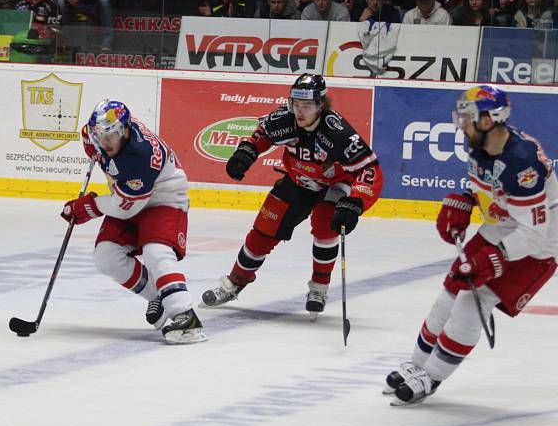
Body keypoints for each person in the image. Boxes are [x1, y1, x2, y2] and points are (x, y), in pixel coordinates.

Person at [385, 85, 558, 405]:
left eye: (467, 117)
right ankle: (417, 365)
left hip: (540, 245)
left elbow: (534, 232)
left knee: (470, 306)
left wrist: (493, 258)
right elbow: (486, 185)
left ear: (490, 119)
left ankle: (432, 377)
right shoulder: (479, 145)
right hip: (504, 226)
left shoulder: (523, 163)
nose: (460, 124)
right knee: (451, 290)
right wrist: (465, 201)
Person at [200, 74, 384, 319]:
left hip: (336, 185)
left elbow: (369, 168)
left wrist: (355, 202)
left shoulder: (337, 133)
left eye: (306, 106)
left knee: (324, 225)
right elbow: (262, 134)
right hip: (299, 181)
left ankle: (318, 288)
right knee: (262, 232)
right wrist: (247, 150)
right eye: (296, 104)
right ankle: (233, 284)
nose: (299, 111)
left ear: (321, 105)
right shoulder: (284, 118)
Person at [63, 100, 207, 344]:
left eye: (111, 136)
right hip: (130, 193)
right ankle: (159, 296)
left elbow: (125, 207)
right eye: (100, 136)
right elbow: (91, 137)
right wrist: (94, 146)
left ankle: (185, 317)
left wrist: (89, 206)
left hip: (165, 197)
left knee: (156, 252)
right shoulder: (99, 134)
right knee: (106, 256)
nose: (105, 142)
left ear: (125, 130)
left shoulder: (140, 157)